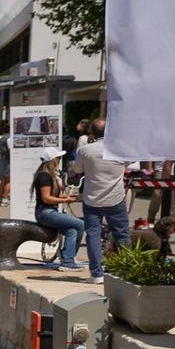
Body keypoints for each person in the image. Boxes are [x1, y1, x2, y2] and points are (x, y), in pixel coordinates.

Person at [76, 119, 131, 283]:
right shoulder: (119, 149)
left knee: (93, 235)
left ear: (91, 132)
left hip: (92, 199)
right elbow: (130, 164)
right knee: (122, 235)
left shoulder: (85, 150)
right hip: (115, 198)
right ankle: (127, 270)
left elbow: (77, 170)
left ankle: (96, 273)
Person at [33, 149, 85, 271]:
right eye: (58, 158)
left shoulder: (48, 175)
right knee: (80, 224)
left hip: (49, 211)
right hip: (45, 212)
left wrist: (67, 197)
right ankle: (67, 260)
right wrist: (65, 200)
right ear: (52, 160)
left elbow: (52, 195)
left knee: (72, 230)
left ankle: (67, 258)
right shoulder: (44, 176)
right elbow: (46, 198)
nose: (59, 160)